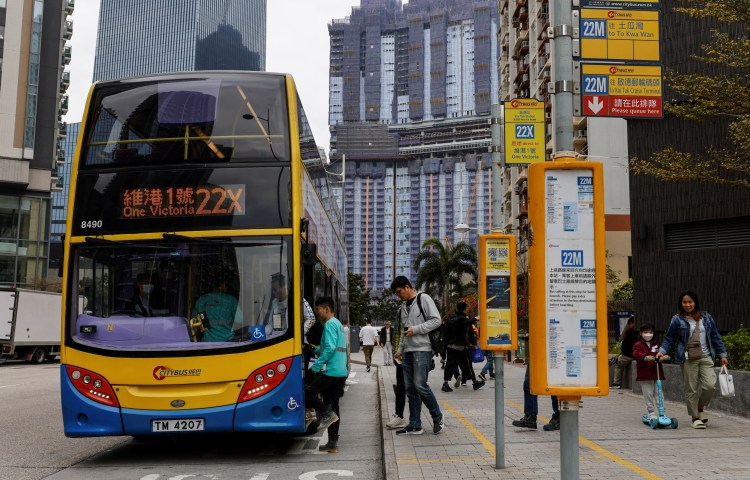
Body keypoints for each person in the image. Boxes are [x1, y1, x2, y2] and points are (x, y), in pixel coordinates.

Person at [657, 290, 728, 429]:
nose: (687, 304)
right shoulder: (677, 319)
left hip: (706, 356)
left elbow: (715, 336)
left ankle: (700, 408)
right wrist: (661, 352)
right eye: (685, 302)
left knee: (710, 386)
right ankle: (695, 417)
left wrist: (723, 354)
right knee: (691, 389)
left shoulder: (706, 317)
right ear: (681, 304)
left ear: (695, 302)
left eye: (690, 301)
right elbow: (670, 338)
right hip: (688, 358)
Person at [391, 276, 444, 435]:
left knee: (420, 385)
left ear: (407, 287)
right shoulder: (402, 307)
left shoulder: (423, 298)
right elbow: (403, 330)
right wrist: (399, 349)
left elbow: (437, 320)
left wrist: (416, 329)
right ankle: (415, 424)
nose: (399, 295)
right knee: (410, 389)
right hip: (407, 352)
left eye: (399, 292)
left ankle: (438, 417)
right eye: (397, 293)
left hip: (423, 349)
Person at [305, 296, 348, 452]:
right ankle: (332, 444)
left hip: (331, 371)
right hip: (341, 370)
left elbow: (330, 349)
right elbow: (333, 348)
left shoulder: (329, 324)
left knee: (306, 392)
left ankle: (325, 414)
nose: (316, 313)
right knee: (333, 406)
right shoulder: (337, 324)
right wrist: (315, 349)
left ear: (326, 309)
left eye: (317, 310)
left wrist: (316, 366)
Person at [512, 333, 560, 431]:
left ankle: (559, 418)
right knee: (529, 384)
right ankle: (530, 417)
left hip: (553, 349)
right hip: (538, 350)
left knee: (554, 384)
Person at [441, 302, 484, 392]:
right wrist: (475, 319)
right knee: (468, 365)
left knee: (449, 365)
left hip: (450, 346)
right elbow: (465, 325)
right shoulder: (463, 319)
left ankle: (445, 383)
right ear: (465, 309)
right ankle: (474, 382)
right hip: (461, 347)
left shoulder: (451, 317)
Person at [631, 323, 665, 424]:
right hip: (645, 373)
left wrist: (664, 356)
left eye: (650, 332)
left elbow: (661, 353)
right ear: (641, 333)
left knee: (659, 393)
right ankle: (650, 412)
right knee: (648, 393)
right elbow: (636, 354)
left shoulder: (656, 344)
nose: (648, 334)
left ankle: (662, 412)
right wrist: (645, 356)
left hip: (656, 372)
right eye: (645, 332)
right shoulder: (638, 345)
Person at [612, 316, 639, 389]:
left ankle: (616, 383)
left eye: (628, 324)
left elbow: (621, 338)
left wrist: (626, 328)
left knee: (618, 364)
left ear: (631, 323)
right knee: (618, 358)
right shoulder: (639, 331)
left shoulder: (630, 332)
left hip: (628, 356)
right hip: (633, 355)